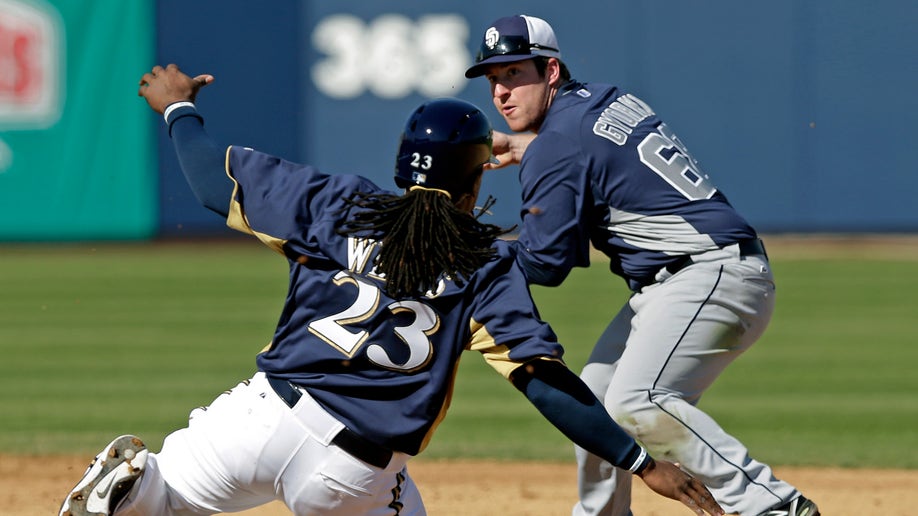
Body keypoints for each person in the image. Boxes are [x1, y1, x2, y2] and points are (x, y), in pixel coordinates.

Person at [57, 64, 725, 516]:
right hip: (349, 474)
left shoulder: (340, 203)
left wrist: (177, 106)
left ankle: (139, 492)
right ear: (475, 185)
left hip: (257, 418)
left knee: (167, 491)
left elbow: (211, 184)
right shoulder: (485, 267)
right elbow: (544, 381)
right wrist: (639, 462)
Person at [464, 14, 820, 516]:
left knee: (639, 400)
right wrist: (535, 147)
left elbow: (545, 264)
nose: (501, 92)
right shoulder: (603, 99)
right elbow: (589, 147)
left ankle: (772, 507)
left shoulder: (558, 144)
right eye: (493, 79)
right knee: (595, 399)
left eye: (514, 74)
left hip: (708, 276)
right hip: (705, 273)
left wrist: (474, 250)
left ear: (550, 71)